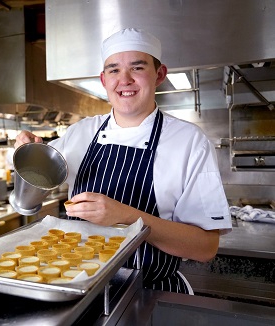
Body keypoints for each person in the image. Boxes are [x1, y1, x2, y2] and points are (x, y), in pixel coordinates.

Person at [15, 28, 232, 294]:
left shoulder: (189, 142)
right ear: (104, 79)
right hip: (79, 291)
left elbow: (205, 247)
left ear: (159, 74)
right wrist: (26, 154)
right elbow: (31, 193)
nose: (124, 80)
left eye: (137, 68)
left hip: (153, 294)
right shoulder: (80, 133)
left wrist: (128, 217)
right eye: (114, 70)